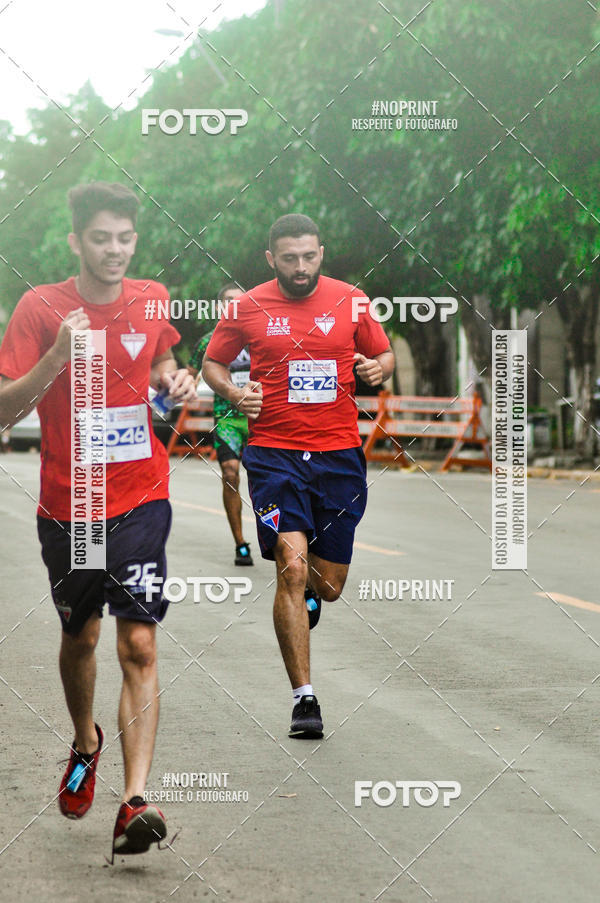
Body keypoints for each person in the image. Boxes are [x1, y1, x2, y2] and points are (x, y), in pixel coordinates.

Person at [0, 181, 196, 859]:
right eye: (101, 238)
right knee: (80, 637)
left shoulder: (152, 296)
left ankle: (135, 800)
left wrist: (175, 377)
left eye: (125, 238)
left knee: (137, 644)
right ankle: (86, 741)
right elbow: (3, 409)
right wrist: (55, 356)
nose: (114, 251)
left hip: (142, 494)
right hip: (73, 504)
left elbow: (162, 353)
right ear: (76, 242)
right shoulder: (40, 308)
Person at [202, 214, 394, 739]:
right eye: (290, 258)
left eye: (309, 256)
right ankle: (304, 700)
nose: (301, 267)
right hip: (273, 455)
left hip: (338, 456)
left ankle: (311, 594)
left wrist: (381, 367)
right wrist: (235, 393)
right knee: (290, 565)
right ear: (272, 259)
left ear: (321, 252)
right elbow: (211, 365)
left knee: (327, 586)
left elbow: (383, 351)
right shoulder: (247, 306)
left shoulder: (351, 299)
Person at [188, 283, 254, 566]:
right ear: (219, 307)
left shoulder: (261, 336)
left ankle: (276, 537)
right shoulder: (207, 342)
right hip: (227, 418)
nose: (234, 306)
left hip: (259, 418)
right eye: (228, 301)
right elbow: (189, 375)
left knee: (267, 480)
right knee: (230, 474)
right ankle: (240, 543)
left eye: (240, 302)